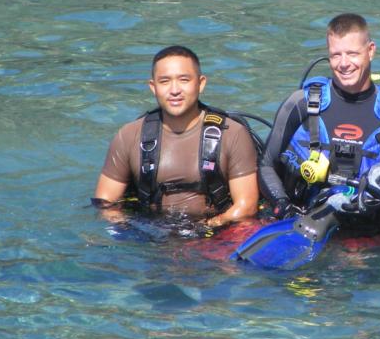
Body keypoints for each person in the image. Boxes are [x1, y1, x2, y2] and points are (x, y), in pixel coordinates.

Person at [259, 13, 380, 227]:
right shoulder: (301, 103)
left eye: (352, 54)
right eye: (335, 55)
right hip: (301, 220)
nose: (343, 64)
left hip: (366, 232)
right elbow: (267, 164)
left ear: (370, 51)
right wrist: (283, 206)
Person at [94, 45, 259, 228]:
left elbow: (246, 207)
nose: (174, 90)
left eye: (184, 80)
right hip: (152, 237)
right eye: (164, 81)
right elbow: (105, 204)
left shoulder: (233, 134)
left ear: (201, 83)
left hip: (215, 235)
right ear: (153, 87)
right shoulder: (129, 136)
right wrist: (136, 231)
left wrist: (207, 229)